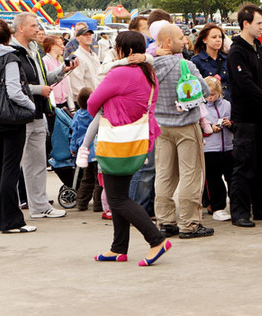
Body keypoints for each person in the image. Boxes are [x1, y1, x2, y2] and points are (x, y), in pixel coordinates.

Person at [87, 31, 171, 266]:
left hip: (118, 138)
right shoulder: (148, 72)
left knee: (118, 197)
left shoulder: (122, 73)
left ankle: (156, 239)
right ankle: (118, 247)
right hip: (139, 138)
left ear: (125, 51)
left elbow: (92, 102)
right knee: (118, 196)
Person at [11, 12, 77, 219]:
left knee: (38, 163)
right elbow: (11, 86)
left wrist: (62, 71)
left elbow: (43, 78)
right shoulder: (11, 51)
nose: (38, 29)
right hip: (19, 115)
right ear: (20, 28)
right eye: (33, 25)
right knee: (13, 165)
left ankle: (39, 206)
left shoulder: (34, 50)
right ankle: (10, 208)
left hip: (39, 112)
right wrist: (39, 90)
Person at [153, 24, 213, 239]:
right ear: (168, 42)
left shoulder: (151, 66)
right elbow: (205, 91)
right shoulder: (185, 65)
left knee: (164, 174)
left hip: (161, 126)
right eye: (180, 37)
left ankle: (165, 221)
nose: (185, 40)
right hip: (186, 125)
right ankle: (189, 223)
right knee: (191, 174)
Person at [227, 4, 262, 227]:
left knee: (259, 165)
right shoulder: (237, 51)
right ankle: (239, 212)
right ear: (245, 23)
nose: (261, 27)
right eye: (258, 23)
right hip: (245, 118)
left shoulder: (258, 47)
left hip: (261, 117)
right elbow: (244, 84)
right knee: (243, 165)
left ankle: (260, 209)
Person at [0, 19, 36, 233]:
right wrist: (31, 106)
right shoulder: (9, 58)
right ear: (7, 36)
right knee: (10, 168)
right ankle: (11, 220)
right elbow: (14, 91)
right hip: (9, 118)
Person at [201, 76, 233, 222]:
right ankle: (217, 207)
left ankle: (235, 205)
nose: (209, 97)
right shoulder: (200, 107)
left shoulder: (227, 105)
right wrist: (209, 130)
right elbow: (197, 126)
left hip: (227, 146)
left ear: (219, 92)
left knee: (232, 177)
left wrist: (230, 123)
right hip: (210, 149)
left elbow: (234, 120)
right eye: (206, 94)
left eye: (212, 94)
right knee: (213, 180)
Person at [70, 87, 103, 214]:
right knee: (99, 179)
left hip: (85, 154)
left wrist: (73, 148)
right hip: (97, 150)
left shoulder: (77, 115)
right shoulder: (95, 114)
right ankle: (98, 204)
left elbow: (74, 134)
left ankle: (81, 202)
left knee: (86, 178)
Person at [191, 23, 231, 101]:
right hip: (207, 107)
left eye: (220, 37)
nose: (218, 40)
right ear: (204, 39)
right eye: (214, 37)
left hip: (227, 104)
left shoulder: (227, 58)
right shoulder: (196, 61)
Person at [67, 27, 100, 108]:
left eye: (90, 35)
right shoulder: (77, 57)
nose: (88, 37)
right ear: (78, 38)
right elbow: (77, 85)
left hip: (96, 98)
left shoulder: (94, 55)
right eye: (85, 35)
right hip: (85, 102)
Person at [42, 36, 69, 108]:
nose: (63, 47)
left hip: (63, 101)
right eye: (60, 44)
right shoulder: (44, 61)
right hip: (53, 103)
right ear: (52, 46)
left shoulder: (59, 62)